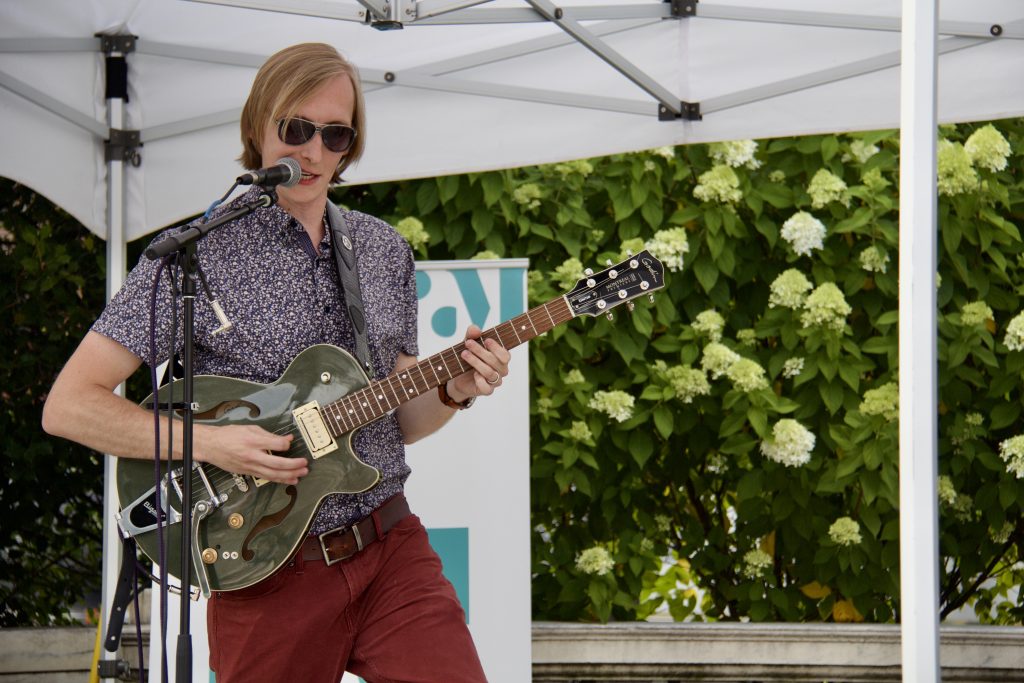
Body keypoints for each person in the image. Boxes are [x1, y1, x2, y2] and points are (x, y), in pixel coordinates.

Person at [42, 42, 509, 683]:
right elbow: (68, 404)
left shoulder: (381, 249)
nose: (313, 152)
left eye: (335, 134)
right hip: (265, 568)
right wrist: (208, 443)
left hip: (389, 547)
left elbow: (399, 419)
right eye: (296, 129)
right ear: (258, 125)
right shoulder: (189, 256)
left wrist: (455, 388)